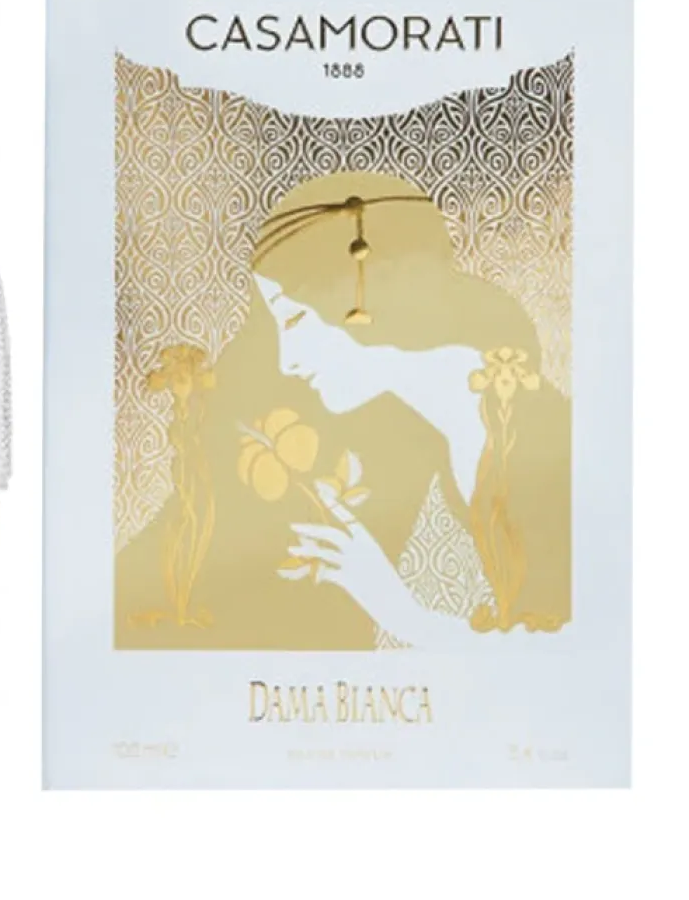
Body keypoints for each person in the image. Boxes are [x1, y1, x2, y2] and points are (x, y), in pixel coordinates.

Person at [115, 172, 570, 650]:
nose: (287, 361)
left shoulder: (536, 435)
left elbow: (569, 660)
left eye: (294, 320)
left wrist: (399, 611)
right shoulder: (421, 431)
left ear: (365, 300)